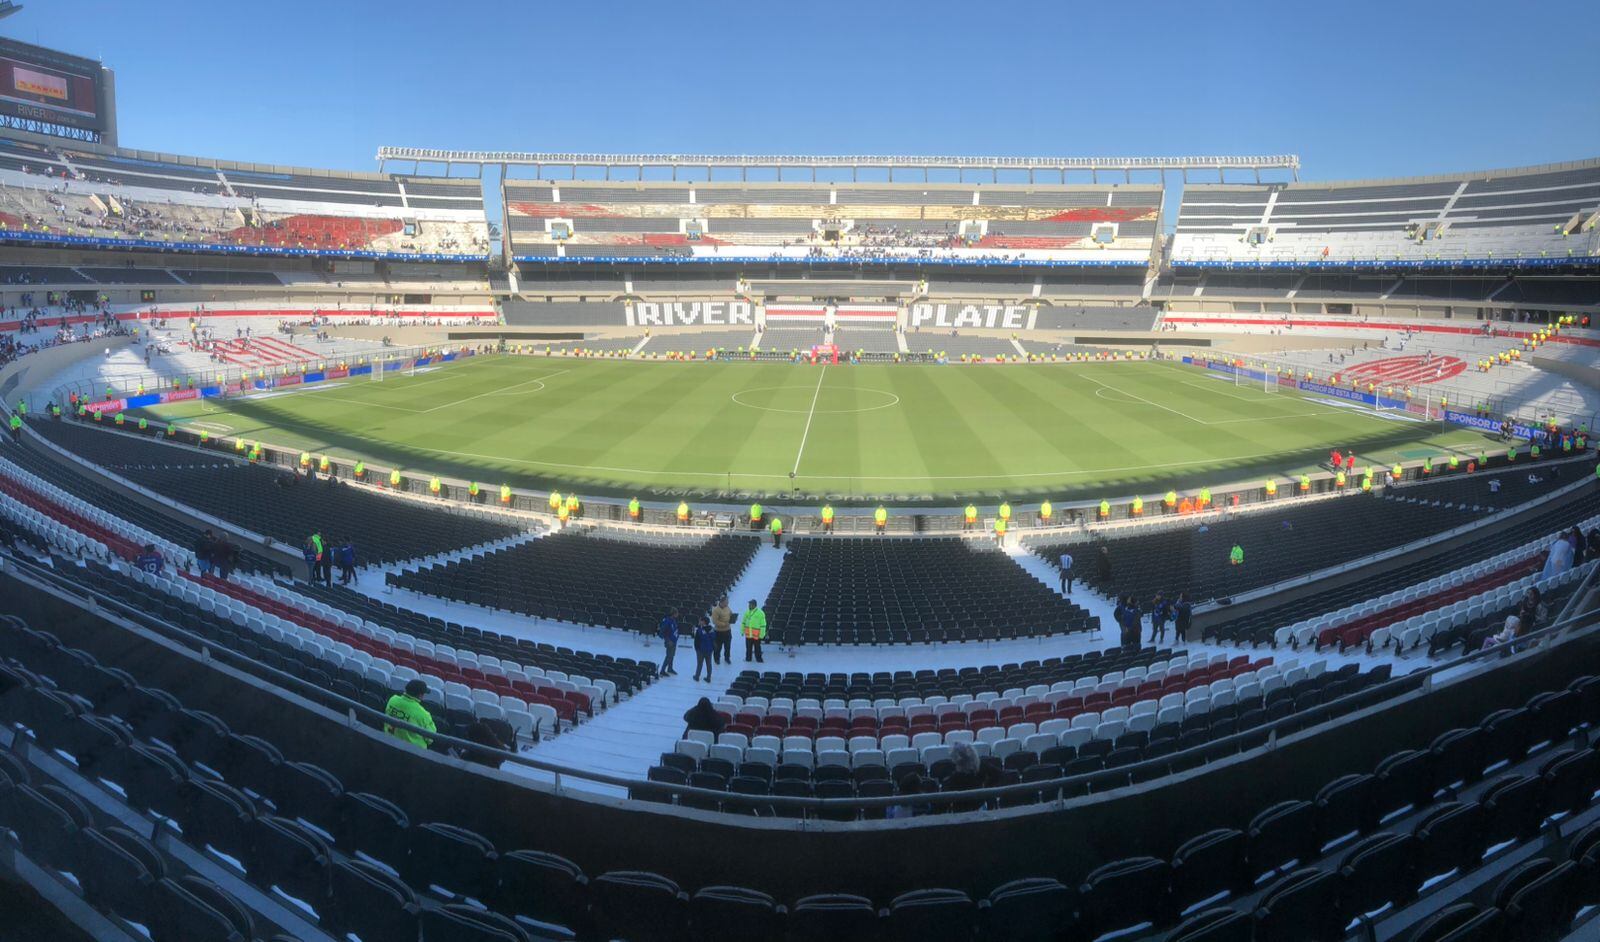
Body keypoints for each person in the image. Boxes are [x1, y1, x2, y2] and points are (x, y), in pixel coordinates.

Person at [384, 679, 436, 749]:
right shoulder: (424, 714)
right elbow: (430, 739)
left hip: (388, 743)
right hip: (412, 753)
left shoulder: (393, 699)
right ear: (420, 695)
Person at [742, 598, 767, 663]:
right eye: (749, 604)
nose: (749, 605)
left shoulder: (760, 613)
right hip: (748, 635)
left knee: (757, 648)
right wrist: (742, 630)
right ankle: (748, 658)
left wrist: (762, 634)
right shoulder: (747, 612)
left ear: (754, 605)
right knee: (748, 648)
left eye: (750, 604)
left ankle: (759, 659)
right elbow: (743, 622)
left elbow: (763, 625)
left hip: (757, 635)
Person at [692, 616, 716, 683]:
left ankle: (697, 676)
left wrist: (697, 649)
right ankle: (708, 677)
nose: (699, 622)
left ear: (703, 622)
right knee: (709, 664)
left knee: (699, 663)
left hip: (701, 650)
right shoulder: (712, 629)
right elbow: (714, 638)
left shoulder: (699, 630)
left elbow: (696, 641)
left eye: (700, 621)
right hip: (709, 649)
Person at [710, 596, 734, 664]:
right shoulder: (716, 610)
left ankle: (727, 658)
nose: (728, 603)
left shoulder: (727, 607)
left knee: (727, 646)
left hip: (727, 631)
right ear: (722, 602)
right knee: (718, 647)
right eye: (726, 602)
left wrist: (733, 617)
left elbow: (730, 613)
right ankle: (717, 659)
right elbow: (714, 621)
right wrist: (723, 624)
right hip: (719, 632)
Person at [657, 607, 680, 676]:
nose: (678, 614)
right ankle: (662, 670)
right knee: (669, 656)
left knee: (672, 655)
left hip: (674, 640)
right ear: (674, 614)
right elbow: (662, 632)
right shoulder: (667, 621)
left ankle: (670, 668)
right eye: (677, 613)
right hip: (669, 641)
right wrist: (667, 640)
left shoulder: (673, 620)